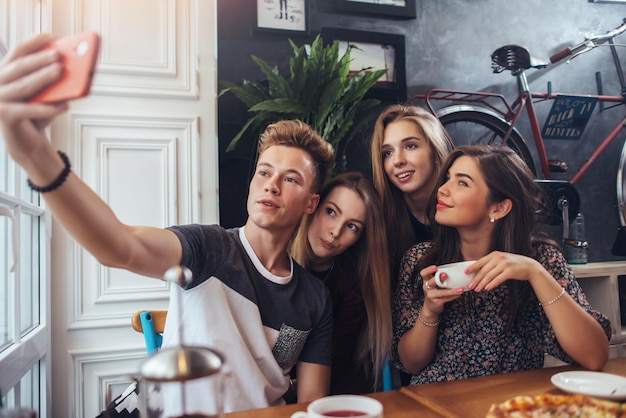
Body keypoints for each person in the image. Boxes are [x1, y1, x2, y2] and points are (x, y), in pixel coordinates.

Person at [0, 34, 336, 413]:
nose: (271, 185)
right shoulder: (208, 248)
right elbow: (121, 247)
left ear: (311, 203)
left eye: (290, 179)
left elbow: (311, 407)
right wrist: (38, 158)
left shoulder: (314, 299)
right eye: (264, 172)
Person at [392, 145, 611, 385]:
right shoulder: (422, 261)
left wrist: (535, 273)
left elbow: (594, 357)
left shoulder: (542, 260)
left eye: (462, 183)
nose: (442, 190)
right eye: (447, 179)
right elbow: (411, 364)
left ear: (499, 207)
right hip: (436, 404)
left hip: (511, 403)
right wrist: (430, 311)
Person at [290, 171, 392, 395]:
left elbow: (331, 365)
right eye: (331, 212)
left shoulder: (351, 287)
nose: (335, 232)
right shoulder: (276, 256)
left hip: (331, 393)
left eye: (352, 226)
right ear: (313, 205)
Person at [369, 104, 449, 280]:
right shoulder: (380, 215)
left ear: (435, 151)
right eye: (388, 153)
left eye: (410, 146)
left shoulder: (462, 203)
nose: (398, 161)